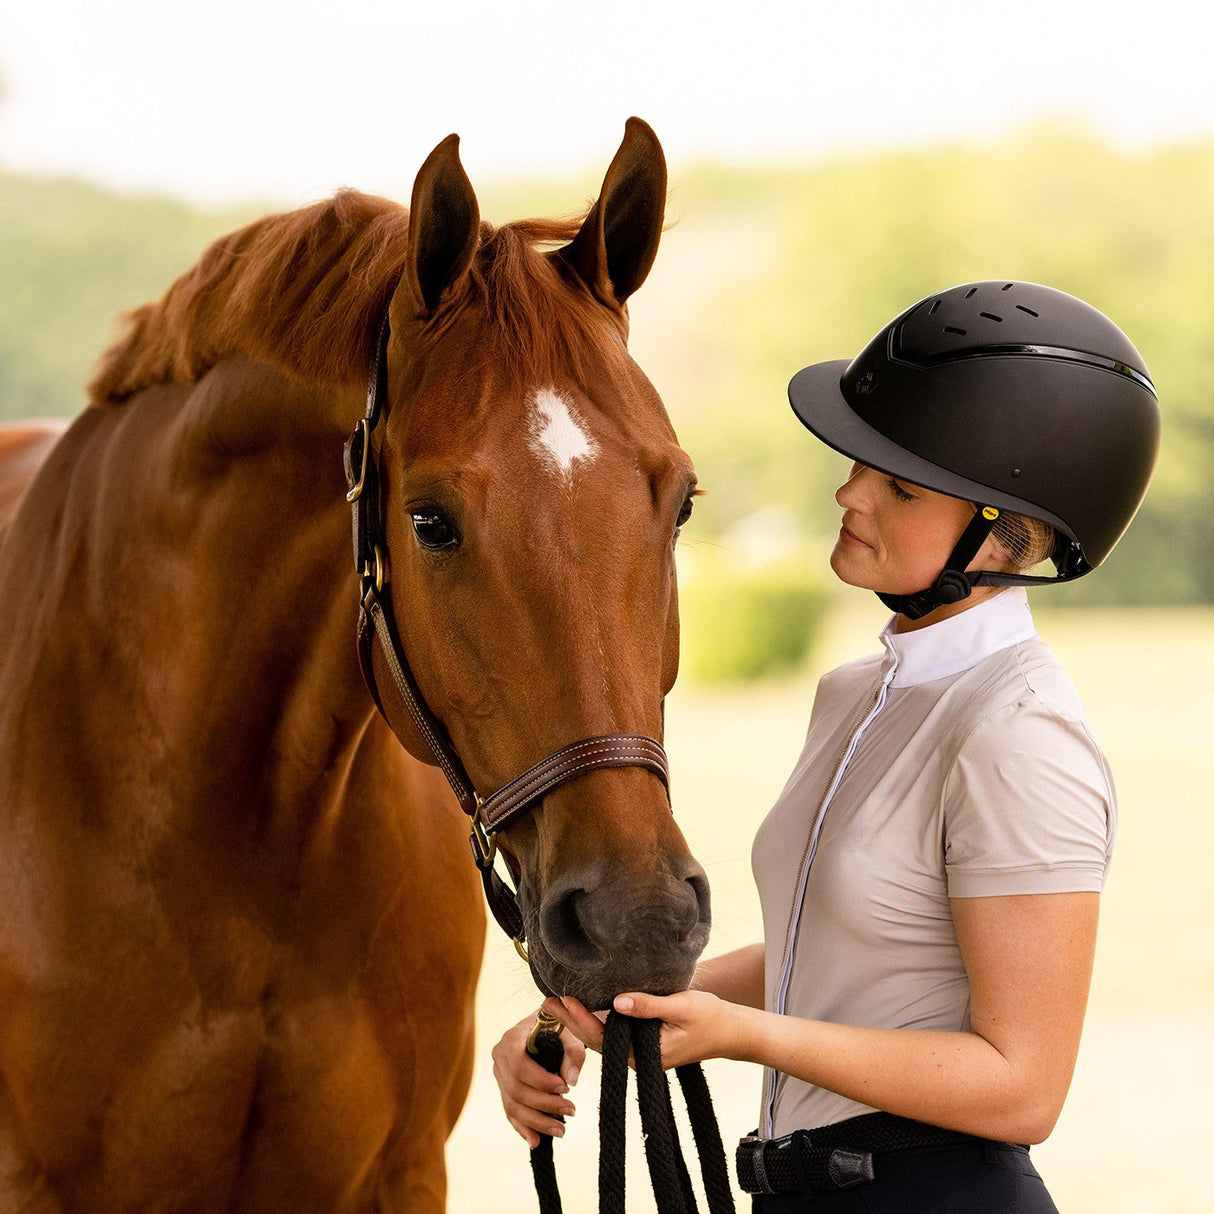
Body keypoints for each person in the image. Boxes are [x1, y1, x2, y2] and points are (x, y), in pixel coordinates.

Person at [491, 280, 1161, 1212]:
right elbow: (838, 950)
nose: (849, 491)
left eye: (899, 484)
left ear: (1005, 533)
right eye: (860, 463)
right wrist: (598, 1019)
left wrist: (740, 1035)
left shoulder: (1019, 732)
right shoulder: (858, 694)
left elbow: (1023, 1087)